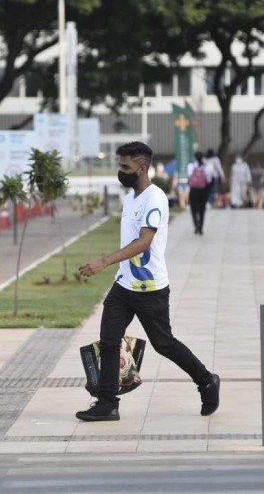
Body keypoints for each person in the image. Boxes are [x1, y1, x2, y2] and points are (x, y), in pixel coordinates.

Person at [76, 142, 220, 422]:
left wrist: (104, 261)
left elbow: (144, 243)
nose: (121, 171)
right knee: (109, 340)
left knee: (163, 344)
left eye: (125, 167)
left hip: (150, 288)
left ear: (142, 168)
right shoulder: (130, 198)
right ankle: (107, 403)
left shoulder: (156, 198)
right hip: (124, 285)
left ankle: (206, 380)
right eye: (120, 165)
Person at [187, 151, 213, 235]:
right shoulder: (206, 167)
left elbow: (189, 176)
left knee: (193, 209)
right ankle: (201, 227)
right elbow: (209, 179)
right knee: (202, 209)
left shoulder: (191, 166)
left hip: (193, 190)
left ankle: (196, 224)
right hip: (203, 190)